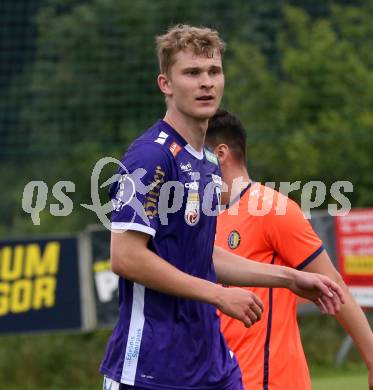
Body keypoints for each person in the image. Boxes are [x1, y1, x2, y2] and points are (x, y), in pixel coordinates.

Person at [99, 25, 344, 390]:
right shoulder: (150, 156)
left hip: (212, 364)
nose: (206, 83)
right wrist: (218, 294)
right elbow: (126, 257)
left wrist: (290, 279)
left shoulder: (209, 164)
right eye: (192, 73)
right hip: (152, 368)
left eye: (213, 71)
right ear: (165, 84)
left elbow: (200, 254)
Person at [205, 108, 373, 390]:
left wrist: (370, 358)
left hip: (269, 381)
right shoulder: (204, 219)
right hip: (219, 380)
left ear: (220, 153)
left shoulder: (272, 208)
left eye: (196, 152)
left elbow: (332, 285)